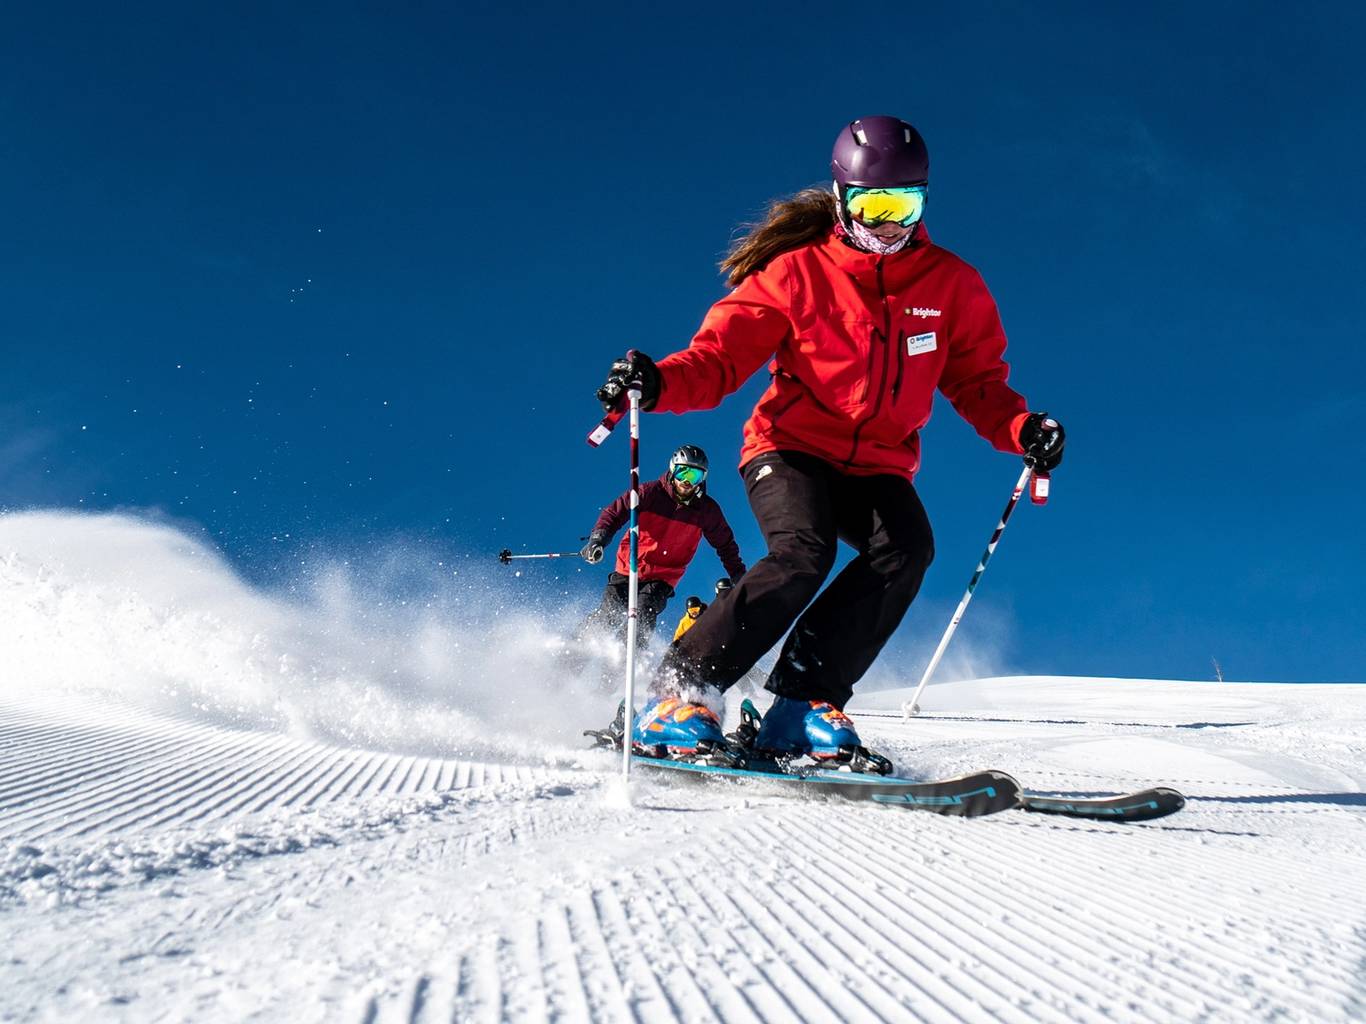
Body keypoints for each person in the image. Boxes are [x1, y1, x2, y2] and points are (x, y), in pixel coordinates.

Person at [594, 115, 1065, 764]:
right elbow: (719, 359)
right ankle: (673, 695)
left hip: (876, 465)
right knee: (801, 554)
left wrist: (1021, 429)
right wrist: (659, 381)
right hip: (787, 449)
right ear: (842, 200)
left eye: (903, 204)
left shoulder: (951, 286)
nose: (887, 223)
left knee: (906, 550)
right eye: (872, 204)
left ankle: (798, 704)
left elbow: (978, 381)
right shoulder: (798, 276)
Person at [578, 444, 746, 652]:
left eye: (694, 476)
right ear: (672, 469)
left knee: (644, 615)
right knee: (609, 615)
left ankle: (621, 666)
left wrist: (738, 574)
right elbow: (615, 512)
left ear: (702, 479)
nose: (686, 481)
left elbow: (725, 544)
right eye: (682, 472)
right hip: (630, 566)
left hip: (664, 577)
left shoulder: (706, 511)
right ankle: (573, 654)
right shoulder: (650, 493)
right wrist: (598, 539)